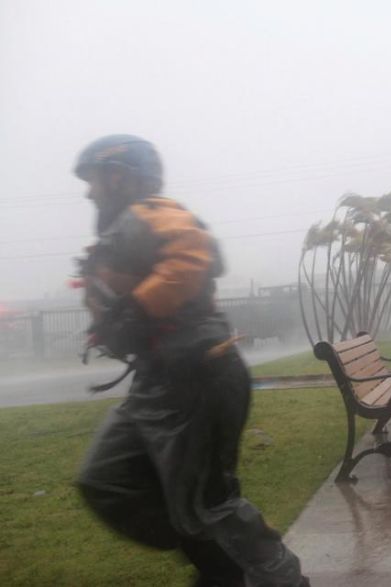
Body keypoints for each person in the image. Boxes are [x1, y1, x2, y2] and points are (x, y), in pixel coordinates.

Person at [73, 135, 309, 587]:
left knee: (209, 503)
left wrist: (137, 307)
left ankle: (281, 578)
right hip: (154, 381)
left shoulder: (156, 212)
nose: (88, 192)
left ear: (120, 177)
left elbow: (196, 253)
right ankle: (220, 566)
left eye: (94, 180)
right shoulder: (116, 233)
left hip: (200, 375)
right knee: (105, 478)